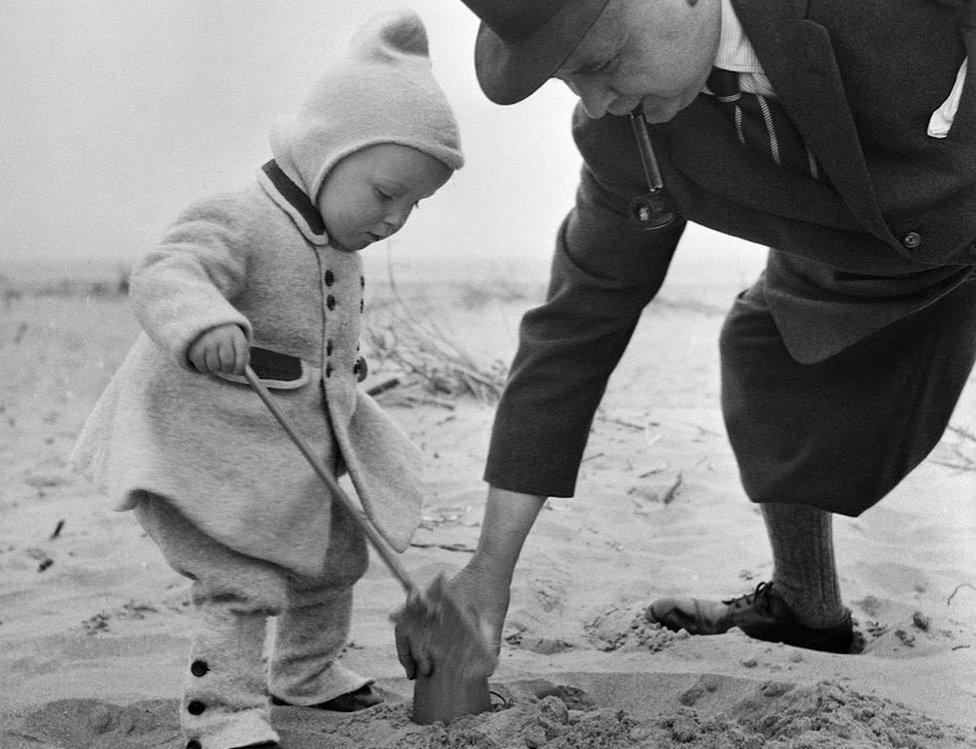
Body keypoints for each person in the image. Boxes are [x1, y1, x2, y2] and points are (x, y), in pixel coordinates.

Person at [395, 0, 976, 680]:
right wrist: (488, 573)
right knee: (767, 343)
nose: (599, 100)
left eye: (603, 63)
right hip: (875, 251)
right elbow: (573, 331)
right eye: (571, 81)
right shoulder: (628, 138)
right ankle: (805, 607)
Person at [70, 9, 462, 749]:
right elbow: (168, 272)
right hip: (205, 443)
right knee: (239, 578)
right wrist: (203, 322)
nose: (396, 217)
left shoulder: (336, 241)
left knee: (332, 559)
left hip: (290, 445)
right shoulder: (242, 215)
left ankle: (304, 676)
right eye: (386, 192)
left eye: (414, 203)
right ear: (325, 150)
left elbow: (323, 327)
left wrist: (349, 367)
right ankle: (217, 714)